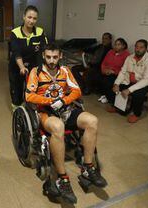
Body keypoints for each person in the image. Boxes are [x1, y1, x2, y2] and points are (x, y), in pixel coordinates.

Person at [26, 43, 107, 204]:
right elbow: (29, 96)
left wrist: (63, 100)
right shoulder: (36, 72)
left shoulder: (65, 71)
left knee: (92, 121)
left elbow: (77, 91)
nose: (51, 60)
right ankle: (62, 178)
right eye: (48, 57)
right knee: (58, 127)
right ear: (44, 56)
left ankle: (88, 167)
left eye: (55, 57)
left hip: (66, 109)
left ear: (60, 56)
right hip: (46, 112)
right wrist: (49, 101)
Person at [9, 5, 48, 110]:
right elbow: (16, 52)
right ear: (24, 17)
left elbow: (44, 50)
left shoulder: (40, 32)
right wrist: (21, 67)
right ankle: (17, 109)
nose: (31, 21)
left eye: (34, 18)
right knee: (16, 88)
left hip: (33, 65)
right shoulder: (15, 33)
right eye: (29, 17)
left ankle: (31, 107)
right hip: (17, 65)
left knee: (33, 87)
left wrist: (45, 66)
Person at [111, 39, 148, 123]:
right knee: (118, 87)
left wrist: (129, 90)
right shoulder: (130, 57)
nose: (138, 49)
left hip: (144, 84)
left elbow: (146, 80)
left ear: (146, 49)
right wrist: (116, 84)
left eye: (141, 47)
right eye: (136, 47)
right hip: (130, 82)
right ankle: (118, 108)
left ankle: (136, 114)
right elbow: (123, 71)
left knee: (137, 94)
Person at [98, 38, 130, 105]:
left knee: (107, 81)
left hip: (117, 74)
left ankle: (109, 98)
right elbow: (103, 63)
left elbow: (125, 69)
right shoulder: (110, 52)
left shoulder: (127, 55)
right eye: (115, 44)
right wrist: (104, 70)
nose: (116, 46)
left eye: (119, 44)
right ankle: (104, 95)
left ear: (123, 46)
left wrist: (113, 72)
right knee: (95, 75)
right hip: (107, 71)